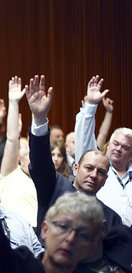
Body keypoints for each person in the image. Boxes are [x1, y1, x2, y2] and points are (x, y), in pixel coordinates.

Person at [0, 78, 105, 273]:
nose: (70, 238)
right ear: (45, 230)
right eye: (64, 226)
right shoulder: (19, 265)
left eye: (82, 234)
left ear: (93, 245)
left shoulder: (16, 221)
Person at [26, 75, 121, 240]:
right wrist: (39, 119)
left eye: (100, 172)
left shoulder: (111, 218)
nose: (93, 175)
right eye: (89, 168)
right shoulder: (55, 187)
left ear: (106, 179)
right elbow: (40, 162)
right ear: (75, 168)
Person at [75, 75, 132, 226]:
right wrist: (91, 106)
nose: (119, 149)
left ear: (131, 155)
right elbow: (85, 137)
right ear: (109, 144)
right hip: (102, 233)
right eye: (116, 143)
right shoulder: (97, 168)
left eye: (125, 147)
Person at [0, 76, 38, 227]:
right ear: (20, 159)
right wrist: (14, 103)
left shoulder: (45, 180)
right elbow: (12, 138)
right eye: (28, 154)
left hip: (38, 239)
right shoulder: (11, 173)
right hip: (12, 233)